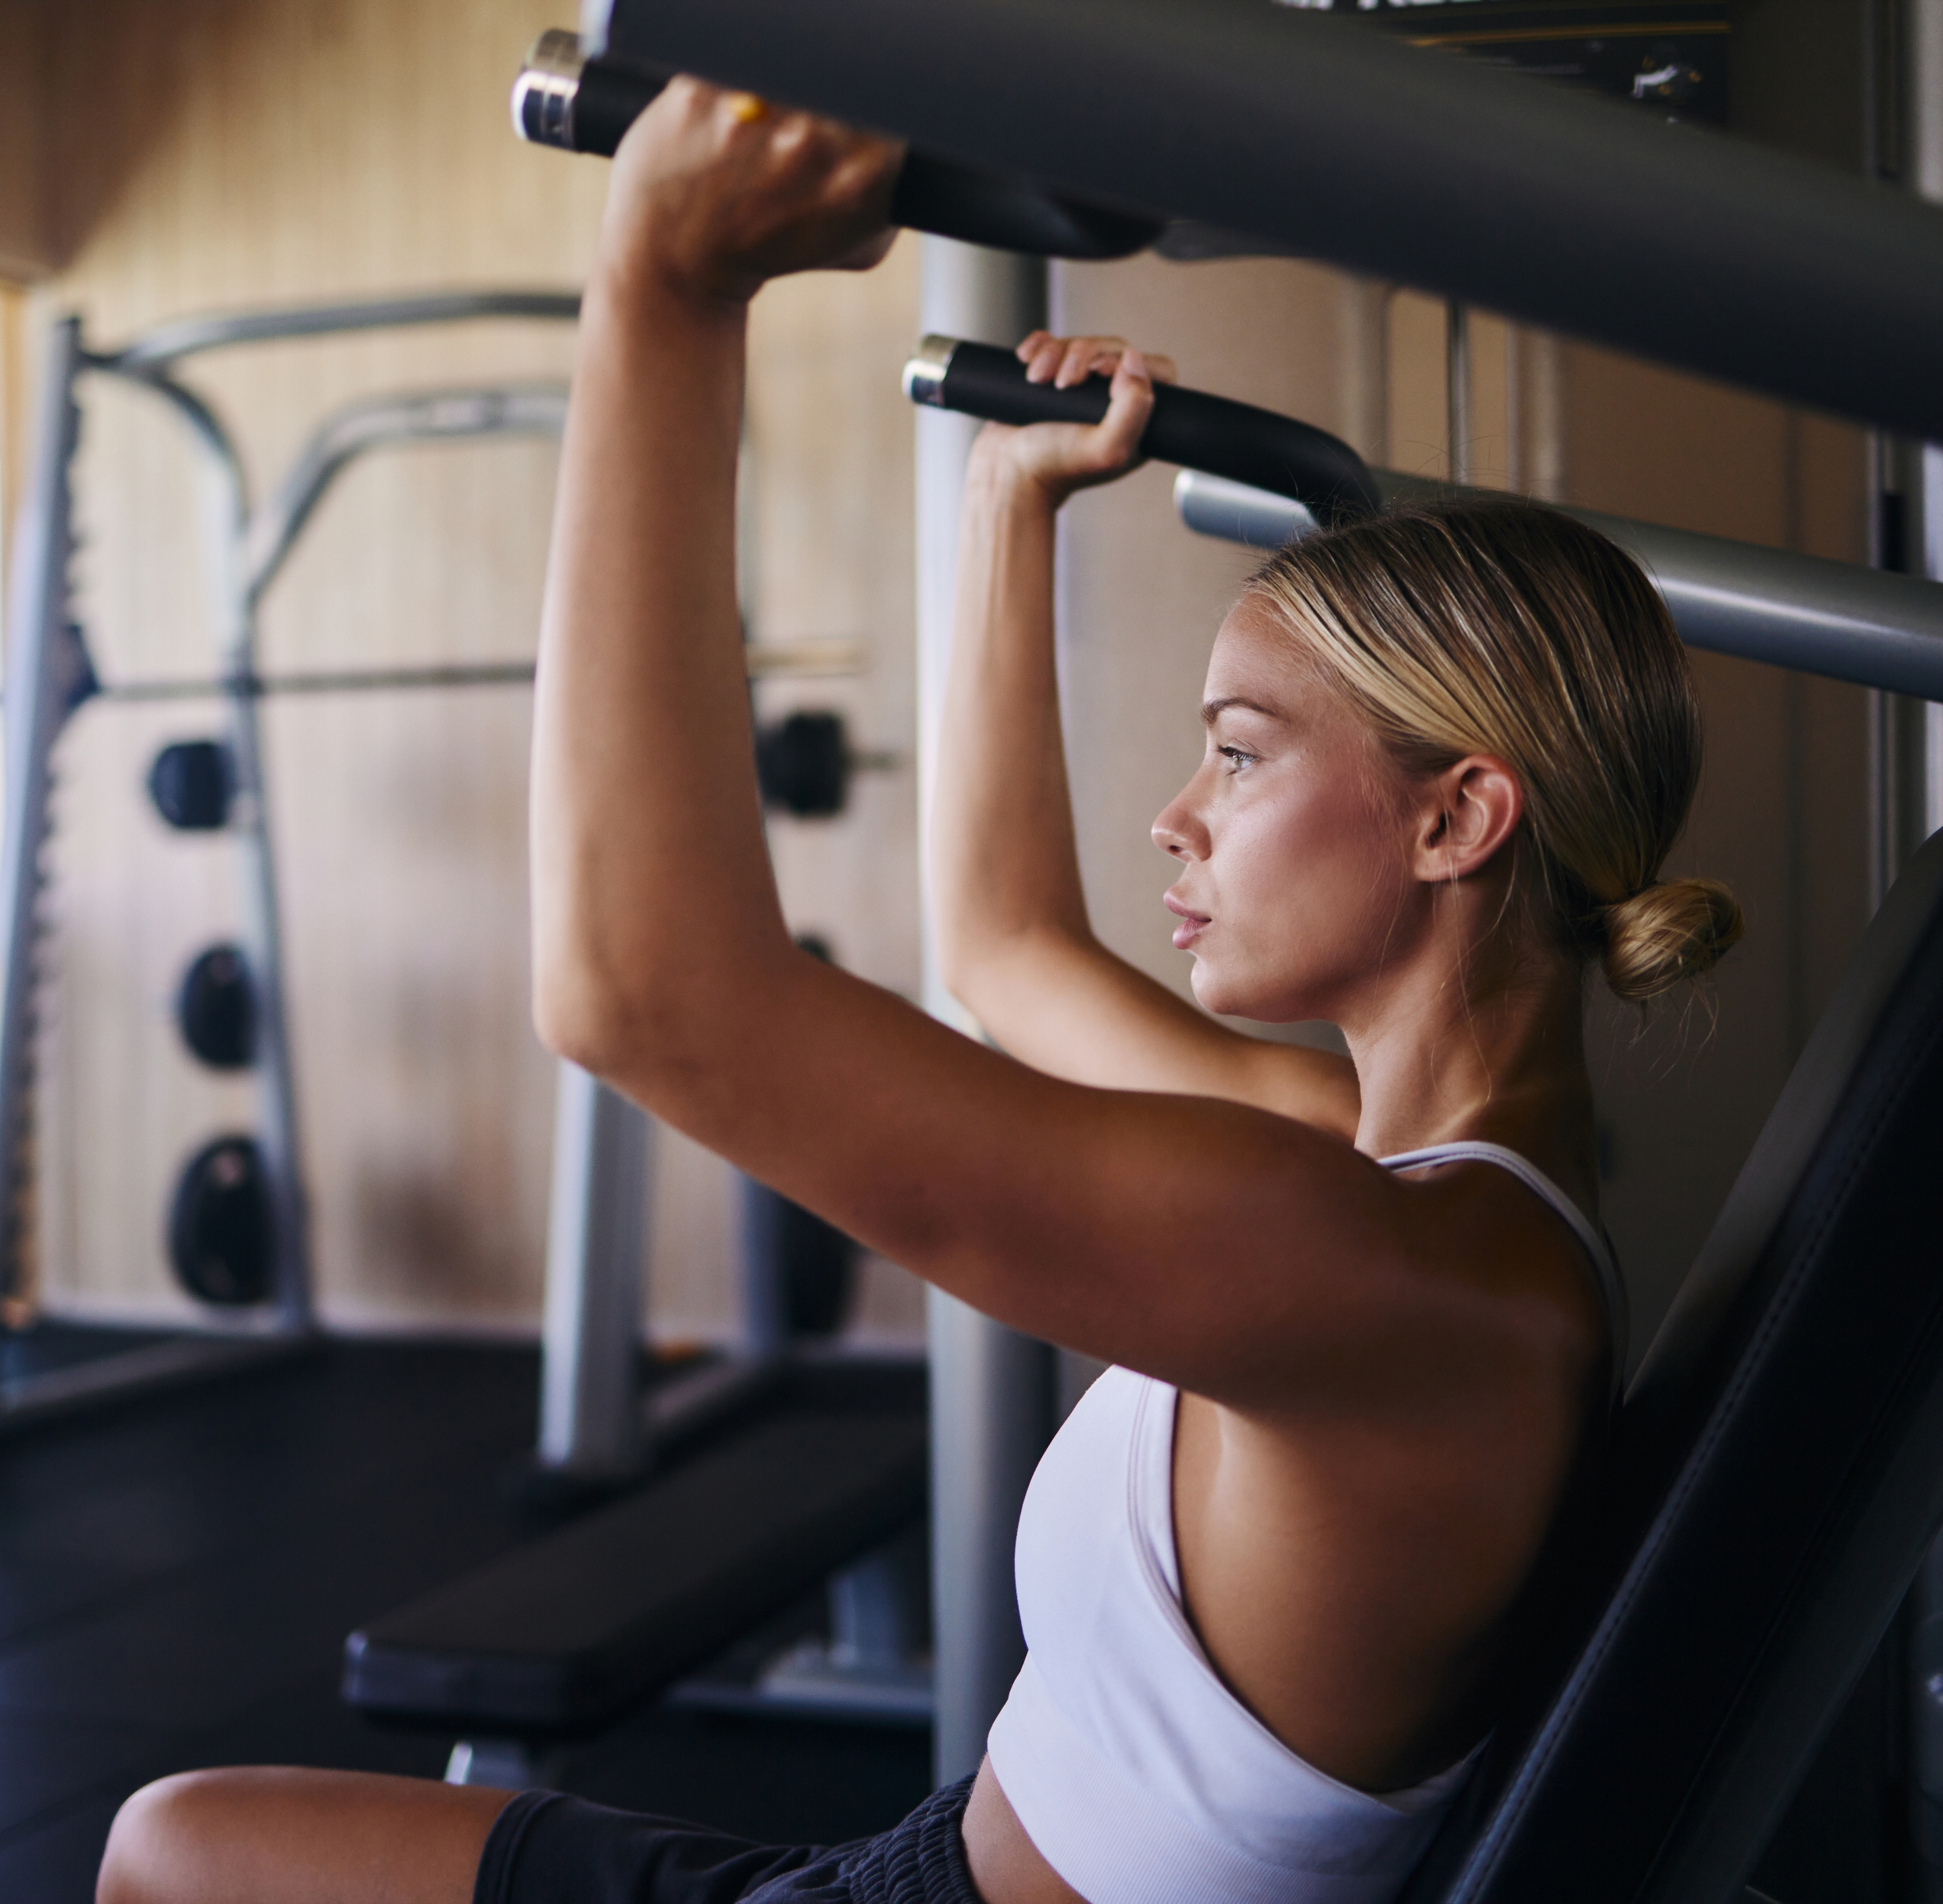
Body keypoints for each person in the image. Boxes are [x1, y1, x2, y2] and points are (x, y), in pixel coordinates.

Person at [96, 76, 1740, 1904]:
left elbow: (643, 996)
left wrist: (663, 287)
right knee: (187, 1841)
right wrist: (1005, 507)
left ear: (1456, 818)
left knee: (181, 1859)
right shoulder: (1391, 1184)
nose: (1175, 817)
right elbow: (1004, 954)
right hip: (900, 1865)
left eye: (1243, 756)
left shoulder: (1368, 1272)